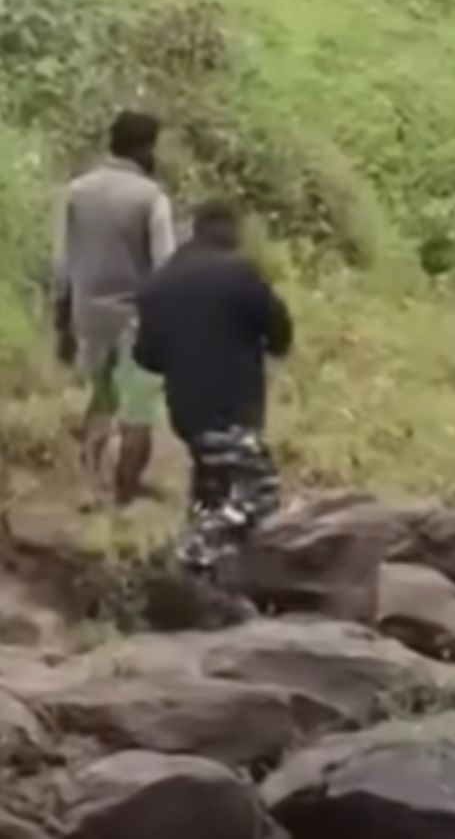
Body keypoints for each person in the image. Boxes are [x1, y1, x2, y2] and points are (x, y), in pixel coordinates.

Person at [133, 200, 292, 584]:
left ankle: (204, 587)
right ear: (229, 233)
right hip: (233, 407)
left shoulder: (158, 283)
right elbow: (280, 332)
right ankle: (188, 557)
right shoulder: (237, 274)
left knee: (212, 493)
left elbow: (146, 356)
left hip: (186, 409)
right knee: (258, 494)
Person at [52, 110, 176, 504]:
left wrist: (62, 323)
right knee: (138, 410)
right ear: (145, 149)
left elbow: (62, 264)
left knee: (101, 399)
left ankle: (92, 486)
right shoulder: (151, 198)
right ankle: (124, 494)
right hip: (138, 319)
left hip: (87, 314)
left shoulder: (76, 191)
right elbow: (165, 269)